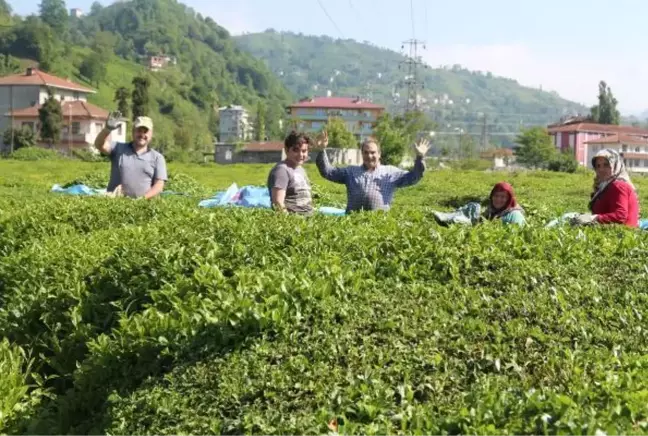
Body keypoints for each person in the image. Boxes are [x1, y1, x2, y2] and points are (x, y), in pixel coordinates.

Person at [315, 131, 429, 213]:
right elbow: (328, 172)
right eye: (366, 152)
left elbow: (414, 177)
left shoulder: (390, 172)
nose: (369, 156)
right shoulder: (350, 172)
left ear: (379, 154)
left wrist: (420, 157)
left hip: (379, 224)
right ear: (362, 154)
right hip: (352, 223)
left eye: (373, 152)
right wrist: (321, 151)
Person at [94, 111, 168, 199]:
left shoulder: (157, 158)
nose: (142, 135)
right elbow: (99, 145)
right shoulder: (118, 148)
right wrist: (107, 130)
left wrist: (143, 198)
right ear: (133, 132)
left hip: (143, 205)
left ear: (151, 134)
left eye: (146, 131)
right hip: (115, 203)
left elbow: (159, 185)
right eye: (139, 131)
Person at [571, 148, 639, 227]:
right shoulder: (605, 185)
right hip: (611, 230)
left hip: (621, 234)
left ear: (615, 165)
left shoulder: (619, 185)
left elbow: (620, 216)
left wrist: (593, 218)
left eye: (606, 165)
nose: (601, 169)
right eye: (598, 166)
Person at [267, 131, 313, 215]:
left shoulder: (300, 169)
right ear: (286, 150)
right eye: (296, 150)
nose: (300, 154)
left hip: (307, 221)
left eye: (304, 151)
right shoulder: (281, 170)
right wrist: (289, 223)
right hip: (293, 223)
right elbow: (278, 203)